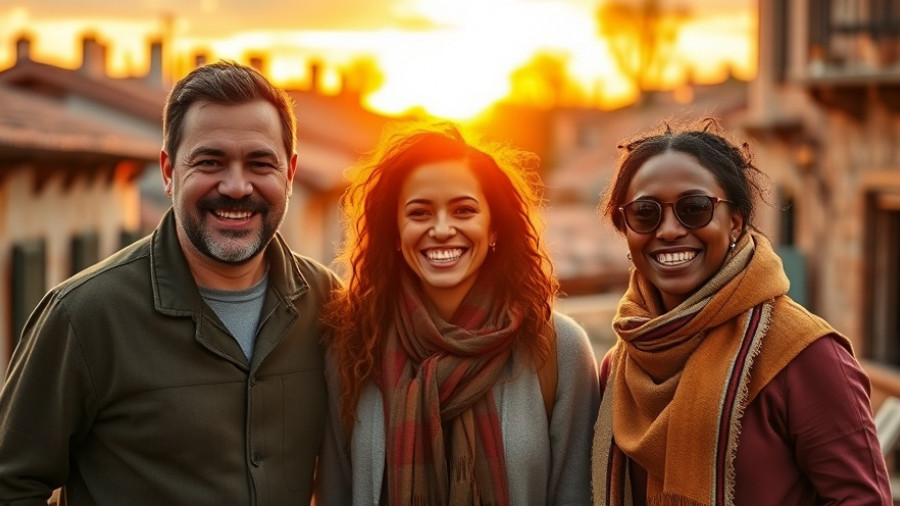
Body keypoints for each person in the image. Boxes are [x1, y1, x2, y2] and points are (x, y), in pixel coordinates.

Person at [0, 61, 340, 505]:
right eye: (210, 161)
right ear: (167, 171)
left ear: (290, 173)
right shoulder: (84, 316)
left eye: (260, 163)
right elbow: (11, 484)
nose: (237, 186)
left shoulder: (328, 303)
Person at [591, 118, 892, 505]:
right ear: (626, 229)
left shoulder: (805, 356)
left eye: (695, 208)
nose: (668, 230)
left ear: (734, 223)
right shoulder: (621, 366)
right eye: (645, 213)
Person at [315, 121, 600, 505]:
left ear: (494, 227)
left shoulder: (559, 350)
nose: (442, 229)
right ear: (395, 233)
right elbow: (337, 493)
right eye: (419, 213)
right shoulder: (352, 347)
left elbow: (575, 495)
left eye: (464, 210)